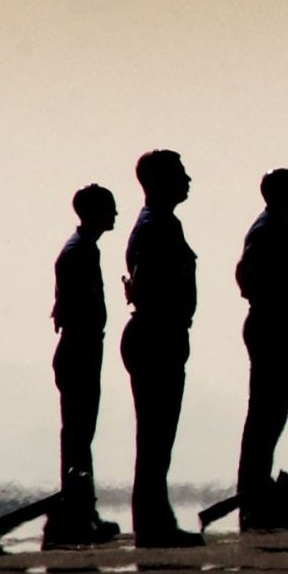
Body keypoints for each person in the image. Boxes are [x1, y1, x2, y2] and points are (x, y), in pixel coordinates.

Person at [120, 150, 204, 548]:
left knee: (156, 439)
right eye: (180, 174)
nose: (188, 179)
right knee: (154, 437)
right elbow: (151, 288)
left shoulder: (163, 224)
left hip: (161, 335)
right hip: (157, 336)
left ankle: (155, 520)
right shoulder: (157, 228)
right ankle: (154, 525)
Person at [44, 184, 122, 547]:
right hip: (79, 349)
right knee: (77, 434)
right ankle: (76, 512)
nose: (116, 214)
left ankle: (82, 510)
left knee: (81, 434)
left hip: (84, 348)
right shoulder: (78, 254)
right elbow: (74, 309)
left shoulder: (84, 251)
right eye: (109, 208)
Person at [232, 168, 288, 531]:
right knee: (264, 413)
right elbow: (247, 276)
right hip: (270, 324)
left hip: (279, 322)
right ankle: (253, 497)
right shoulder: (267, 231)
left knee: (272, 413)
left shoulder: (279, 228)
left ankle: (257, 491)